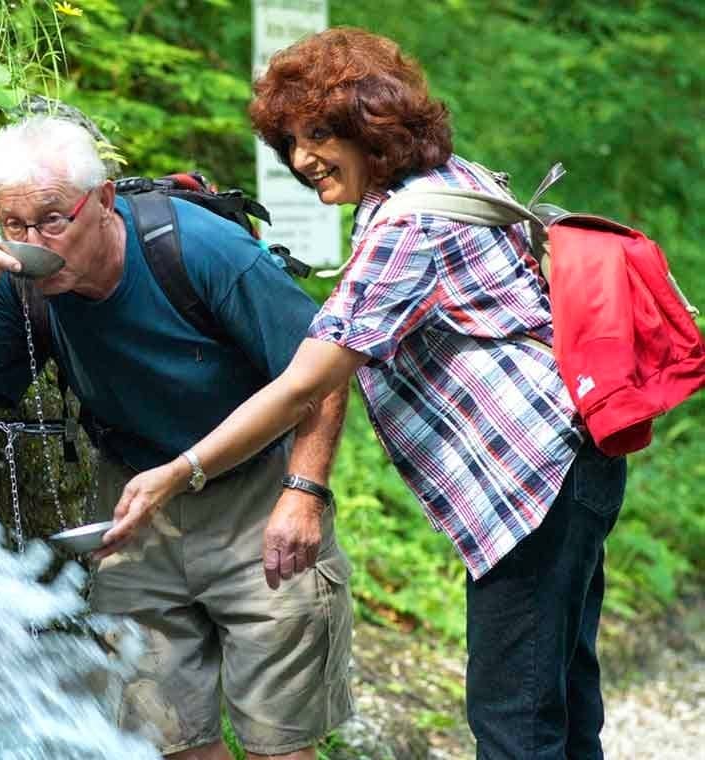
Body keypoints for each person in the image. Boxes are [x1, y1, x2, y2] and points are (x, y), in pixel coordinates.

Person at [101, 27, 626, 759]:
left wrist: (180, 470)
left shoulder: (407, 222)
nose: (303, 158)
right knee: (560, 699)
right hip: (572, 461)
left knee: (516, 719)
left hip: (534, 478)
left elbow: (305, 382)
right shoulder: (453, 183)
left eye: (320, 133)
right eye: (290, 142)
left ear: (373, 125)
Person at [0, 115, 353, 760]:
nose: (34, 241)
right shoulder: (13, 280)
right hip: (134, 501)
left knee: (277, 743)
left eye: (54, 220)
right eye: (13, 224)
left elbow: (327, 370)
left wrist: (304, 492)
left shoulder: (199, 250)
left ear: (105, 201)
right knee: (167, 737)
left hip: (254, 493)